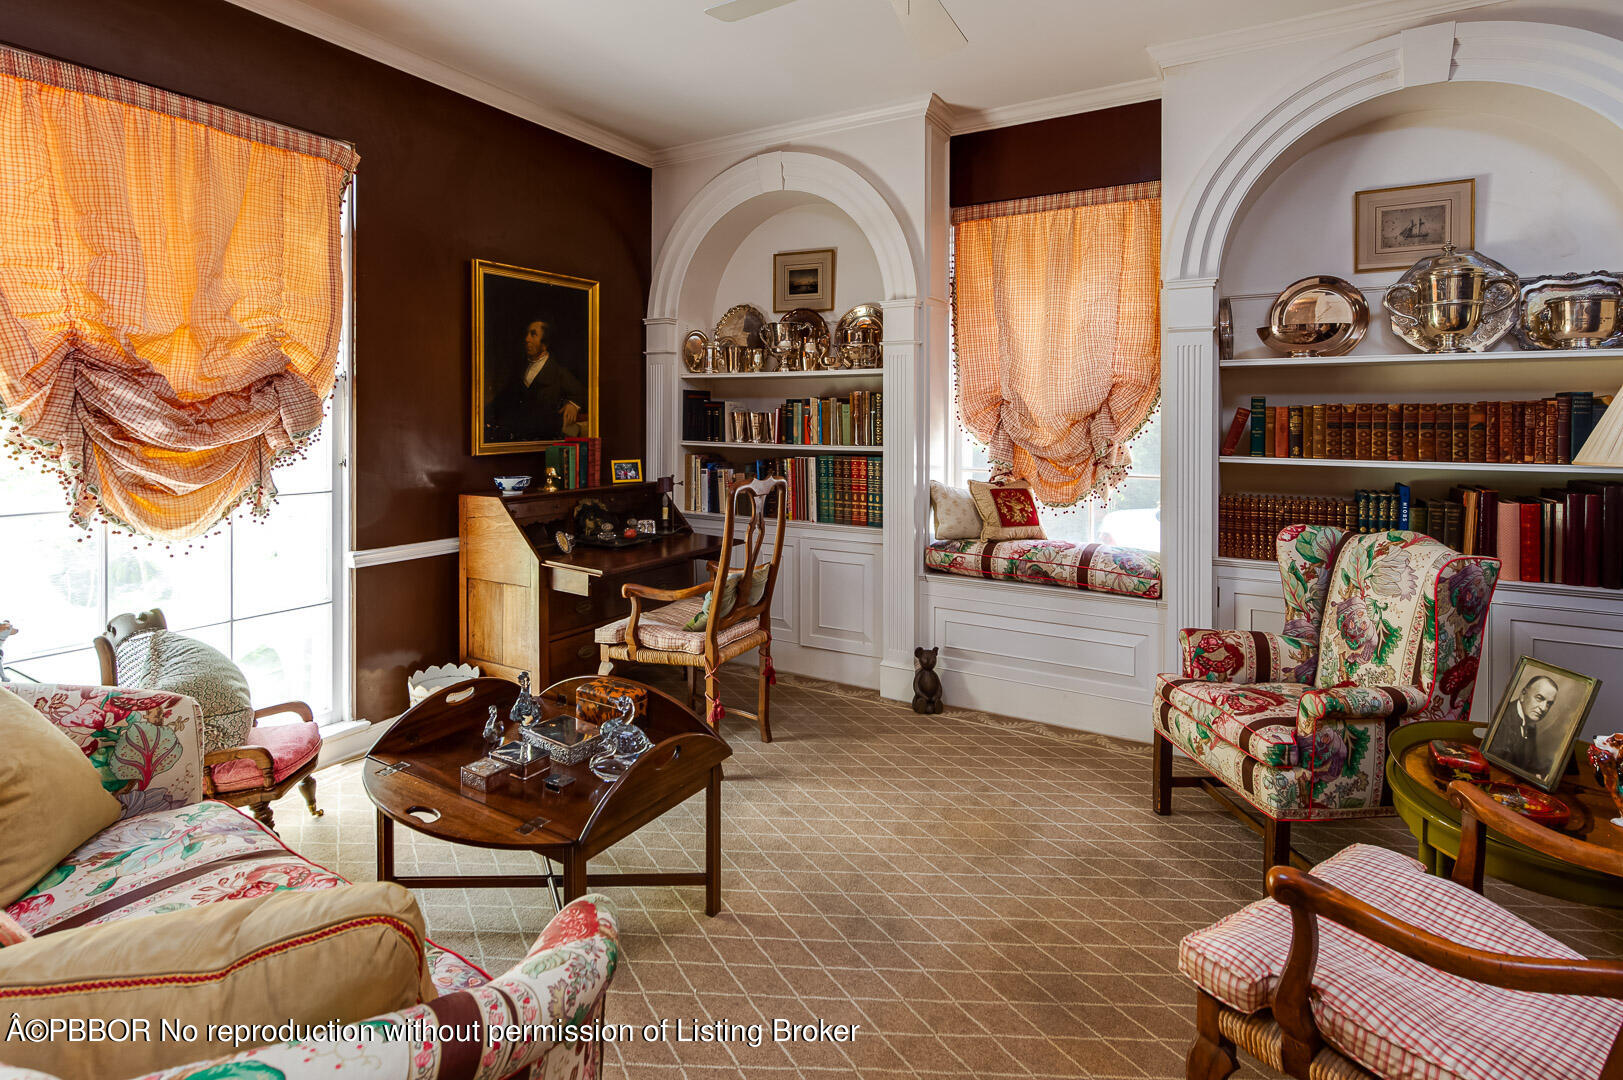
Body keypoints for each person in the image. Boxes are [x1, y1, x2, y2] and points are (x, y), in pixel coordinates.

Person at [487, 319, 587, 443]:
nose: (526, 339)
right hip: (518, 439)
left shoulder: (558, 372)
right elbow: (502, 398)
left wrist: (573, 405)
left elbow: (584, 393)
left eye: (533, 334)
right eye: (527, 334)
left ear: (545, 344)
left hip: (544, 441)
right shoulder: (520, 369)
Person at [1492, 674, 1562, 778]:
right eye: (1539, 698)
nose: (1543, 708)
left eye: (1549, 704)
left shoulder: (1531, 725)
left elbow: (1530, 764)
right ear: (1523, 694)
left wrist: (1538, 776)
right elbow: (1497, 766)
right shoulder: (1504, 718)